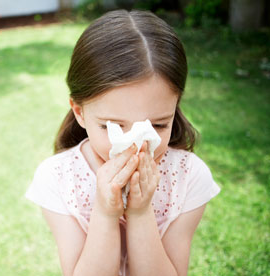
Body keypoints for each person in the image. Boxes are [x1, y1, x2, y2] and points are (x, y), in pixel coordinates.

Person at [24, 9, 221, 276]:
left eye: (158, 125)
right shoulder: (57, 178)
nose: (136, 146)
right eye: (112, 127)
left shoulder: (188, 177)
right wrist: (106, 212)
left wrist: (140, 213)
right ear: (80, 112)